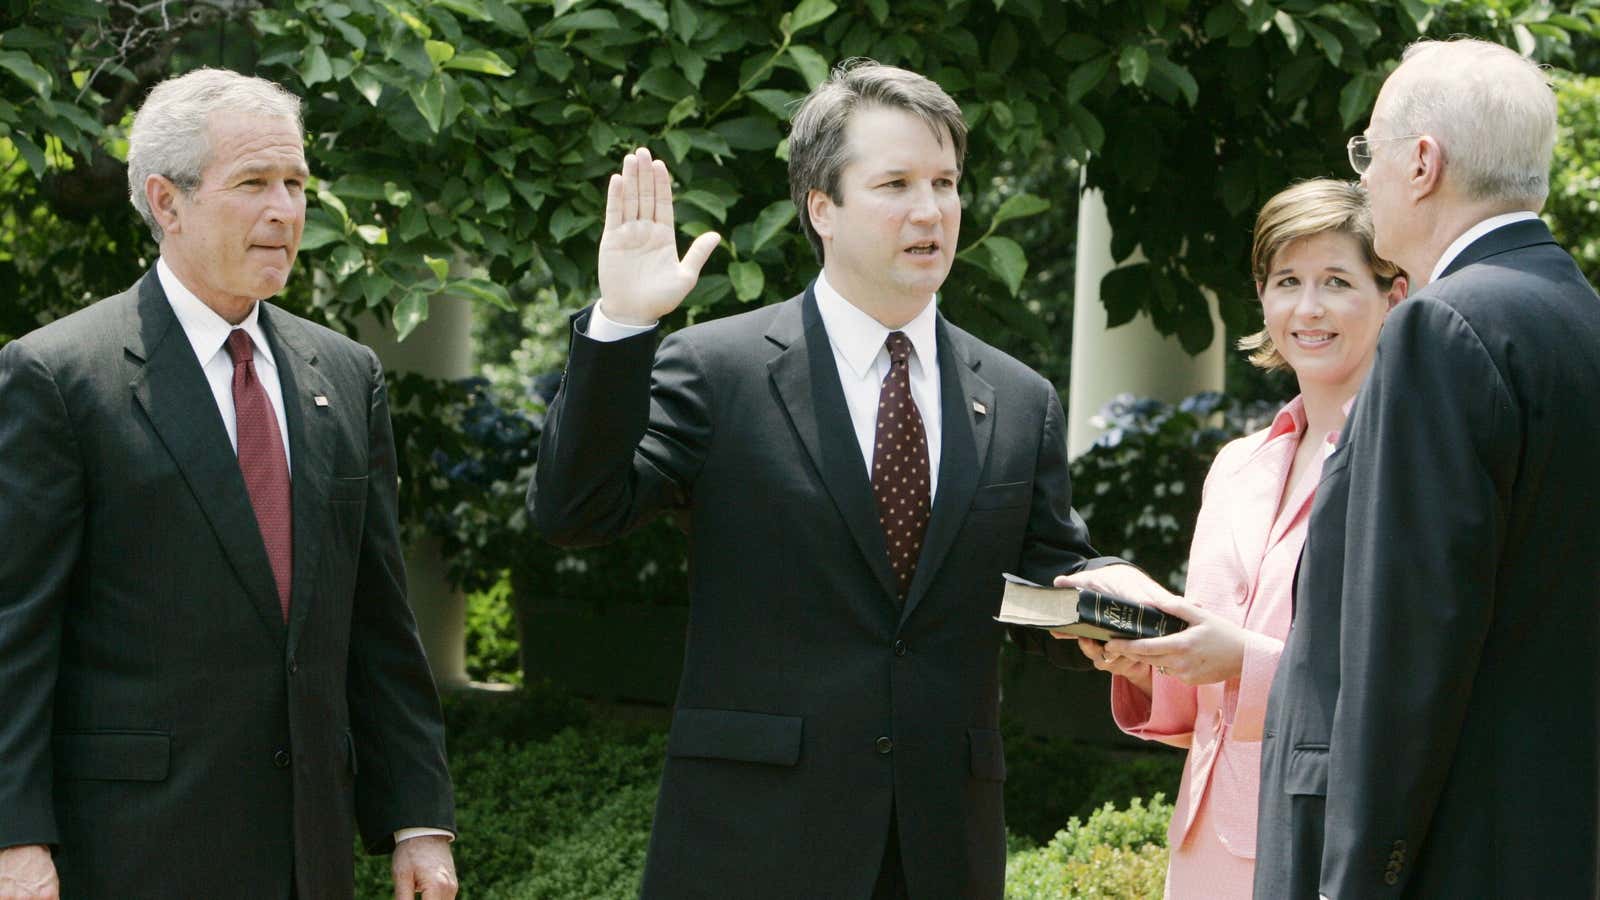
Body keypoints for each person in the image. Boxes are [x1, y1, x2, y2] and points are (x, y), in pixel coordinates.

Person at [530, 60, 1144, 898]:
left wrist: (1113, 600)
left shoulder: (1016, 396)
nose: (930, 211)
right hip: (752, 843)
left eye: (945, 182)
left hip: (939, 850)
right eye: (895, 183)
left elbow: (1037, 589)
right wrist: (623, 326)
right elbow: (575, 510)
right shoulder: (721, 370)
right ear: (823, 206)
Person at [0, 68, 457, 899]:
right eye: (253, 183)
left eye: (295, 183)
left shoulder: (346, 373)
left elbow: (379, 619)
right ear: (166, 203)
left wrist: (418, 819)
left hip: (306, 851)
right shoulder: (60, 377)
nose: (285, 211)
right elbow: (15, 632)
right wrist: (14, 839)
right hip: (132, 850)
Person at [1254, 38, 1600, 898]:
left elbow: (1403, 644)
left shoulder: (1440, 327)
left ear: (1422, 163)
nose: (1362, 178)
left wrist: (1359, 877)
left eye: (1368, 152)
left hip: (1450, 857)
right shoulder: (1581, 318)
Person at [1058, 179, 1406, 897]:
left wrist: (1242, 660)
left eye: (1336, 281)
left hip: (1324, 838)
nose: (1306, 308)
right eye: (1286, 281)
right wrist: (1143, 658)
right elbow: (1205, 701)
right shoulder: (1237, 467)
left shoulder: (1407, 463)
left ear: (1393, 297)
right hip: (1203, 841)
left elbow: (1401, 680)